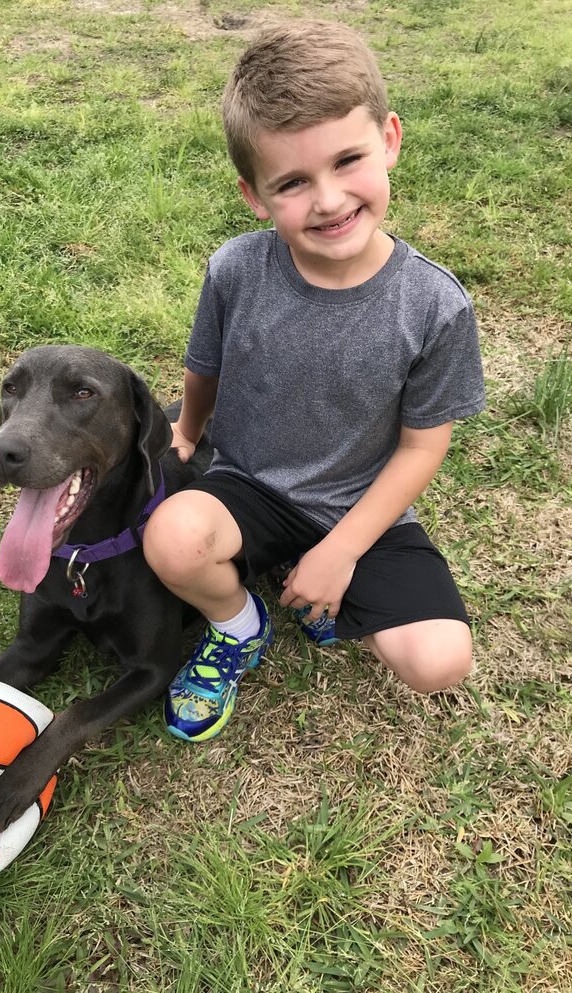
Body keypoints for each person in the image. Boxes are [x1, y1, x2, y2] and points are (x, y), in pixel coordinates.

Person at [142, 20, 486, 743]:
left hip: (357, 500)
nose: (328, 200)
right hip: (248, 485)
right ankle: (239, 621)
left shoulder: (435, 305)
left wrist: (342, 548)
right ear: (254, 194)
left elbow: (423, 448)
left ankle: (317, 570)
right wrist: (186, 431)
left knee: (439, 659)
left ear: (390, 138)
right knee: (171, 540)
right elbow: (204, 366)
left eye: (348, 160)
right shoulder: (236, 269)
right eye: (293, 182)